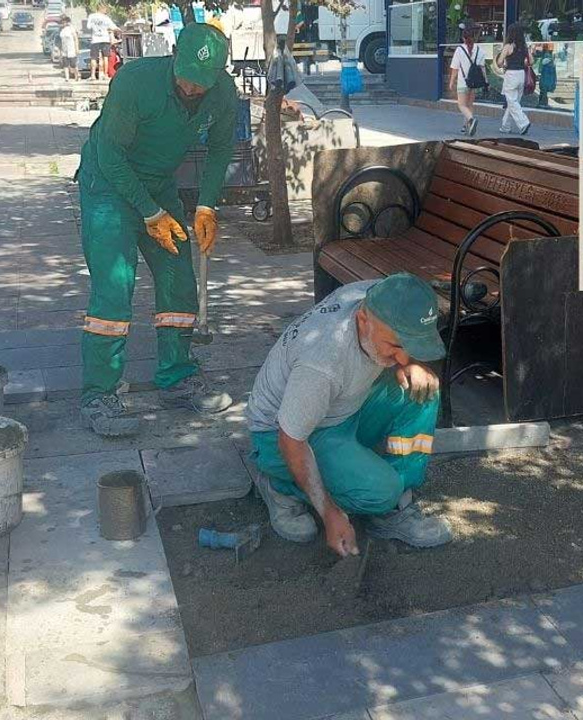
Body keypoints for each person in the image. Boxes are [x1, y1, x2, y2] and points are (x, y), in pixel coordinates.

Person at [76, 23, 236, 437]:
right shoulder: (135, 82)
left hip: (159, 184)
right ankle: (100, 394)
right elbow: (109, 155)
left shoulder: (223, 93)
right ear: (173, 58)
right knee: (114, 285)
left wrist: (205, 205)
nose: (191, 88)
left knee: (178, 278)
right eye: (185, 76)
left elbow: (220, 149)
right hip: (107, 184)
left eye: (202, 82)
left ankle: (177, 376)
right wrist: (149, 213)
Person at [246, 273, 454, 555]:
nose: (403, 358)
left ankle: (394, 507)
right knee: (380, 491)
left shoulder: (379, 296)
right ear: (362, 321)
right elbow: (291, 441)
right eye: (395, 346)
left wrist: (410, 360)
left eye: (410, 346)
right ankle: (279, 484)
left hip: (341, 409)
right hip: (285, 437)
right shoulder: (321, 364)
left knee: (424, 389)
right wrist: (329, 513)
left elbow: (402, 343)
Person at [448, 22, 484, 136]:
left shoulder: (459, 50)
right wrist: (486, 81)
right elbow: (482, 68)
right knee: (469, 105)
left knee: (462, 105)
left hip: (463, 82)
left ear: (464, 38)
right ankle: (466, 127)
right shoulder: (479, 50)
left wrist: (451, 82)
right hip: (474, 83)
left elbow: (455, 68)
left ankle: (471, 119)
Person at [496, 23, 531, 135]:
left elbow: (499, 62)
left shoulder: (508, 46)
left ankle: (523, 123)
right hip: (522, 74)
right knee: (514, 102)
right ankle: (505, 126)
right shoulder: (524, 47)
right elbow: (532, 61)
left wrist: (504, 65)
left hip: (511, 74)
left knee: (512, 101)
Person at [86, 2, 120, 81]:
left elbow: (88, 27)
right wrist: (119, 30)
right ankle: (105, 75)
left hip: (95, 39)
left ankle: (93, 75)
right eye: (105, 9)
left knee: (93, 58)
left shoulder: (91, 16)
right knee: (105, 57)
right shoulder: (106, 18)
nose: (106, 11)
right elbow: (114, 27)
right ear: (102, 8)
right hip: (105, 39)